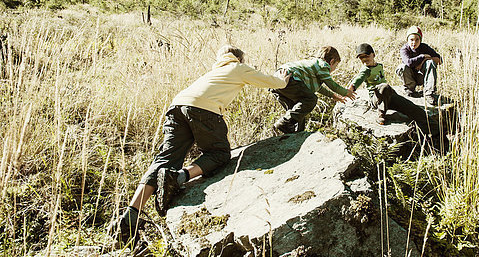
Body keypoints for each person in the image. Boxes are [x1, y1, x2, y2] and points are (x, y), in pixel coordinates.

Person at [114, 45, 289, 247]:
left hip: (177, 106)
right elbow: (271, 82)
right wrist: (282, 80)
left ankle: (131, 214)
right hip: (203, 108)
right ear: (239, 59)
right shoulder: (237, 68)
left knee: (164, 159)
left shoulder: (213, 72)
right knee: (220, 153)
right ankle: (178, 177)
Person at [349, 43, 435, 129]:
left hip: (388, 96)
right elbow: (358, 79)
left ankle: (436, 129)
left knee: (412, 107)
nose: (364, 59)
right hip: (376, 98)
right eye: (361, 57)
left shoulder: (379, 66)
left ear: (373, 55)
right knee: (384, 86)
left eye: (367, 56)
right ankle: (381, 113)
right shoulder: (365, 70)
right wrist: (352, 88)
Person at [271, 46, 356, 133]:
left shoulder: (313, 66)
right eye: (336, 65)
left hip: (276, 81)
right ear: (332, 61)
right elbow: (332, 85)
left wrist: (333, 96)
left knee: (298, 110)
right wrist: (346, 92)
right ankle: (284, 123)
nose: (335, 69)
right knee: (311, 99)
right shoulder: (323, 65)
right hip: (290, 79)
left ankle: (296, 132)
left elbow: (319, 88)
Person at [396, 26, 442, 105]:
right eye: (411, 40)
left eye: (417, 39)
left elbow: (439, 60)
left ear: (420, 40)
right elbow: (409, 63)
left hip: (421, 76)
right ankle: (410, 90)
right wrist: (423, 56)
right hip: (410, 77)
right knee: (402, 67)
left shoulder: (424, 47)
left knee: (430, 62)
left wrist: (424, 60)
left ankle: (429, 93)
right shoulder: (404, 49)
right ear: (407, 40)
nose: (414, 42)